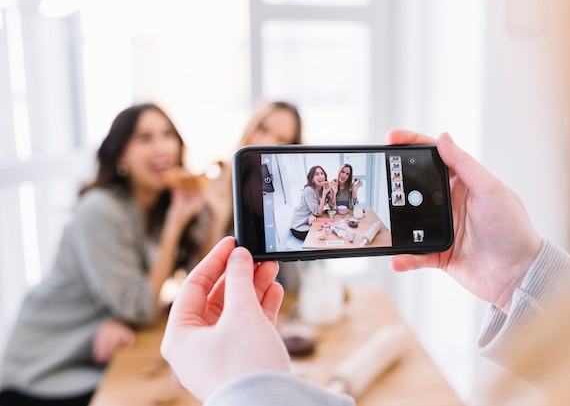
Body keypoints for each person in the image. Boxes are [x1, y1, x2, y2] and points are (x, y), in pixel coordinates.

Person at [160, 128, 570, 406]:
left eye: (334, 173)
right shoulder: (308, 191)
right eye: (323, 174)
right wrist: (520, 271)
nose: (330, 176)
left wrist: (250, 389)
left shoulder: (343, 185)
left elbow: (344, 210)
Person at [0, 103, 212, 406]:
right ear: (120, 155)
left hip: (102, 359)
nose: (162, 146)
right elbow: (139, 307)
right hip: (45, 372)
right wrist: (173, 227)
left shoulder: (163, 204)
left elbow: (199, 284)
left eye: (168, 135)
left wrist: (211, 217)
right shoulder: (100, 210)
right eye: (145, 138)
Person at [202, 100, 302, 251]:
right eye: (263, 129)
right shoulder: (214, 188)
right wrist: (218, 219)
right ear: (250, 127)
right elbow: (200, 267)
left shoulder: (289, 196)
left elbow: (298, 268)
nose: (267, 142)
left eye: (282, 140)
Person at [289, 165, 333, 240]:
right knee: (325, 235)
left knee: (330, 229)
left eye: (322, 173)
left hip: (309, 223)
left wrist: (334, 192)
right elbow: (318, 212)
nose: (321, 176)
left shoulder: (322, 189)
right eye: (317, 174)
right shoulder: (309, 190)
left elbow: (331, 207)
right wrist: (324, 194)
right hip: (299, 227)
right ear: (312, 179)